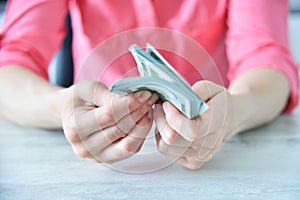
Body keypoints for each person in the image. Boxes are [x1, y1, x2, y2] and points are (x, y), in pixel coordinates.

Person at [0, 0, 298, 170]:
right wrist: (61, 107)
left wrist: (234, 112)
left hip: (216, 157)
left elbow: (267, 59)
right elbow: (11, 62)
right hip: (93, 170)